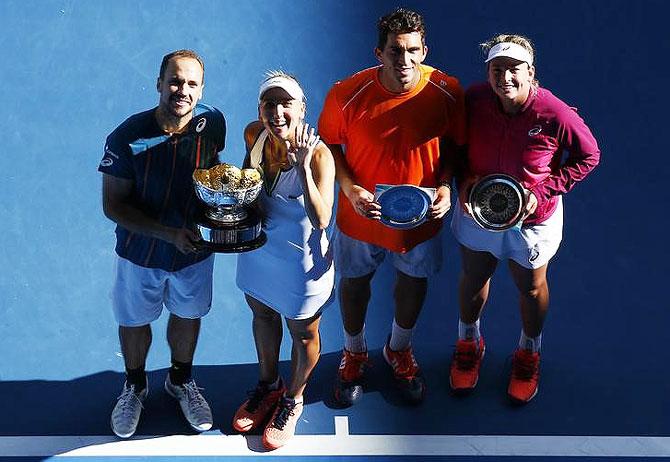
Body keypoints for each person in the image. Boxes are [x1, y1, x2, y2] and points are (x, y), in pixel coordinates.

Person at [318, 7, 465, 406]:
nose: (405, 61)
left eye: (413, 51)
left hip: (421, 217)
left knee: (413, 283)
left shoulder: (447, 90)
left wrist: (445, 188)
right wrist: (349, 189)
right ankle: (354, 352)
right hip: (362, 214)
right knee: (354, 284)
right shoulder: (346, 94)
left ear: (424, 49)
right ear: (378, 53)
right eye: (395, 52)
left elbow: (455, 144)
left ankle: (398, 349)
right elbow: (330, 144)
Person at [448, 34, 600, 404]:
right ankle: (469, 342)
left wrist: (543, 191)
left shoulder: (555, 113)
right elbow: (453, 145)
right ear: (488, 72)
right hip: (479, 212)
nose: (506, 77)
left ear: (530, 72)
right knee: (474, 276)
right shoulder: (475, 100)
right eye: (497, 69)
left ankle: (528, 352)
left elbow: (589, 156)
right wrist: (464, 179)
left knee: (531, 287)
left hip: (533, 221)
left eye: (514, 69)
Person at [99, 49, 225, 438]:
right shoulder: (126, 138)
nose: (182, 90)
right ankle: (135, 385)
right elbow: (113, 205)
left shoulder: (212, 122)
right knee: (135, 322)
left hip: (195, 252)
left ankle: (179, 380)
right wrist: (168, 233)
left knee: (187, 316)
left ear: (201, 88)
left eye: (191, 83)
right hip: (141, 255)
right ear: (158, 83)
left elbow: (214, 170)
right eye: (174, 81)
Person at [233, 72, 335, 449]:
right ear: (259, 108)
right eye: (268, 103)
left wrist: (304, 167)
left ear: (301, 109)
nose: (276, 111)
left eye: (285, 103)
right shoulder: (253, 134)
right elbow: (249, 179)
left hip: (302, 261)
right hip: (261, 249)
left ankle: (293, 397)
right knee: (261, 314)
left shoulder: (320, 155)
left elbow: (322, 217)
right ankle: (268, 385)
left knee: (303, 333)